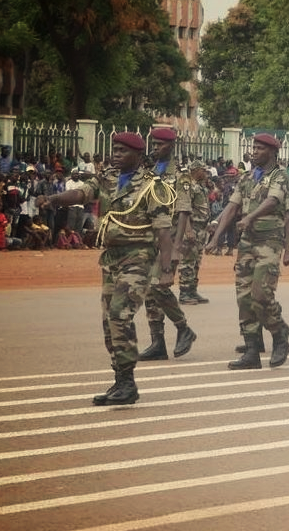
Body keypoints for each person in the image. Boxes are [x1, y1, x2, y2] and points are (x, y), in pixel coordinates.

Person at [37, 132, 174, 405]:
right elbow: (81, 193)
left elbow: (164, 231)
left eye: (123, 151)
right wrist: (55, 199)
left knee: (119, 314)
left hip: (138, 257)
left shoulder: (151, 186)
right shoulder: (107, 178)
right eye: (115, 149)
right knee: (108, 322)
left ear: (137, 154)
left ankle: (128, 384)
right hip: (111, 259)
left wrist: (168, 269)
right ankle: (121, 381)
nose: (116, 154)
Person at [206, 133, 289, 370]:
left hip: (269, 241)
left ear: (272, 152)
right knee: (244, 297)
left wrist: (286, 248)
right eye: (253, 147)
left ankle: (279, 335)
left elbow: (274, 203)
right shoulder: (246, 178)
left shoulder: (281, 176)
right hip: (247, 243)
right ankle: (252, 350)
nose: (254, 151)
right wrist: (215, 237)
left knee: (261, 294)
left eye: (259, 148)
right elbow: (231, 207)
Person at [137, 128, 198, 362]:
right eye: (153, 144)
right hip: (149, 238)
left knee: (158, 286)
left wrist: (176, 247)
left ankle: (184, 328)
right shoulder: (149, 172)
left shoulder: (180, 174)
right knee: (149, 292)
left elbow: (184, 210)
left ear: (171, 146)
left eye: (160, 144)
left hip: (169, 237)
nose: (155, 148)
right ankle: (158, 342)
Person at [176, 160, 212, 305]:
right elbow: (184, 209)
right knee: (187, 261)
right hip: (192, 228)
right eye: (203, 170)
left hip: (201, 229)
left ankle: (192, 290)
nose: (205, 173)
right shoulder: (188, 185)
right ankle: (184, 292)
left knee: (196, 261)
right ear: (196, 170)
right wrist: (188, 229)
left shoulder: (200, 186)